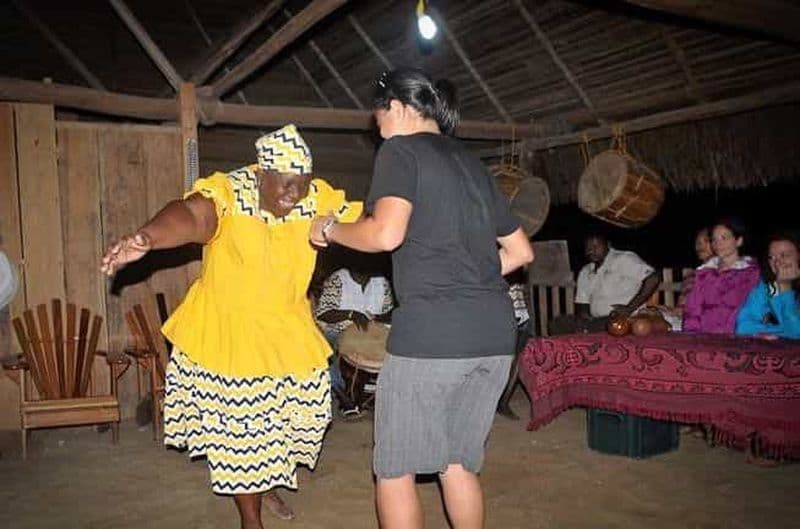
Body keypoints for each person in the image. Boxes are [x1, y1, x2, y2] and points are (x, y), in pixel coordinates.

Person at [100, 124, 362, 529]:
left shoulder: (315, 198)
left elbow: (364, 225)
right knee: (243, 439)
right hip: (230, 334)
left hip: (286, 329)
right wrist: (148, 237)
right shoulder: (231, 192)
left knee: (287, 425)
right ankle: (250, 519)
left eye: (302, 186)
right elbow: (190, 215)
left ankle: (264, 481)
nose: (294, 196)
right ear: (261, 174)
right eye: (285, 186)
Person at [309, 68, 534, 529]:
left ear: (399, 106)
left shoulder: (400, 150)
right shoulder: (471, 164)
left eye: (379, 119)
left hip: (433, 338)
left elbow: (386, 233)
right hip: (494, 335)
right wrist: (466, 280)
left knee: (394, 470)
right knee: (458, 462)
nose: (379, 131)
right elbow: (520, 251)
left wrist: (329, 228)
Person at [314, 266, 394, 417]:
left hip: (373, 332)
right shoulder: (338, 279)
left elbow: (389, 311)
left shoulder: (381, 282)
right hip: (337, 330)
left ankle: (370, 392)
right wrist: (351, 314)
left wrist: (378, 317)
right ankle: (344, 397)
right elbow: (324, 313)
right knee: (324, 355)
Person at [549, 233, 660, 335]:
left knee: (608, 325)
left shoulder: (623, 259)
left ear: (608, 245)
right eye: (588, 247)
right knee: (557, 323)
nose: (591, 250)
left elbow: (653, 278)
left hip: (625, 318)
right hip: (596, 320)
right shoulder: (586, 271)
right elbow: (582, 302)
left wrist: (630, 308)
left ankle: (587, 331)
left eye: (596, 246)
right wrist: (583, 317)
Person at [682, 217, 760, 333]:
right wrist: (692, 332)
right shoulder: (704, 273)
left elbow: (753, 310)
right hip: (705, 334)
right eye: (714, 239)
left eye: (724, 238)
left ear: (738, 241)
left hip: (739, 335)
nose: (718, 243)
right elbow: (693, 308)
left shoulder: (751, 273)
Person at [736, 233, 800, 339]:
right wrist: (782, 331)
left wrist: (785, 289)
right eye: (772, 257)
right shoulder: (768, 286)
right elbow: (743, 326)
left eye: (784, 255)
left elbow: (797, 333)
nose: (777, 262)